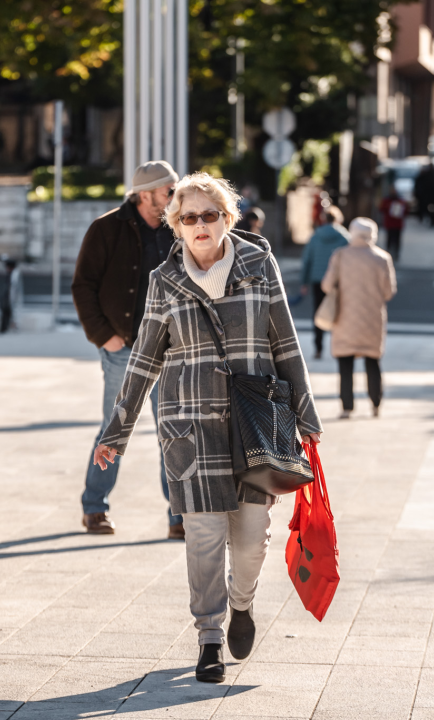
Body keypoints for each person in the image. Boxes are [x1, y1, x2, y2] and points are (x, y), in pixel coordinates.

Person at [92, 172, 323, 683]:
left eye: (210, 215)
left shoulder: (259, 264)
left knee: (250, 539)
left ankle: (242, 603)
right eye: (189, 217)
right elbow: (144, 361)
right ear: (175, 225)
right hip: (189, 427)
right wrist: (117, 432)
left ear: (227, 219)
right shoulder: (163, 281)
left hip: (254, 422)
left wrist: (306, 413)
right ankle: (209, 638)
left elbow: (285, 342)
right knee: (201, 537)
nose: (200, 224)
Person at [71, 160, 183, 538]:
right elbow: (83, 285)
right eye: (169, 191)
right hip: (122, 348)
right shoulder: (106, 229)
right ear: (145, 194)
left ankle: (179, 516)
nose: (174, 197)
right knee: (114, 429)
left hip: (169, 350)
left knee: (173, 432)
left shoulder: (178, 230)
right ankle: (95, 509)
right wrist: (104, 335)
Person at [320, 218, 396, 419]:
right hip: (373, 318)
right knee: (373, 361)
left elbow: (327, 285)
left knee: (345, 364)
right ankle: (376, 403)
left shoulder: (341, 255)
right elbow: (389, 292)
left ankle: (347, 406)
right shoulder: (382, 258)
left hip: (345, 317)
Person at [300, 207, 349, 359]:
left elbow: (307, 260)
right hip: (338, 281)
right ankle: (338, 347)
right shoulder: (345, 237)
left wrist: (304, 282)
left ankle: (318, 348)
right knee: (339, 314)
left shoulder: (315, 236)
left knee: (318, 314)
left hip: (317, 279)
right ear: (338, 219)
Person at [377, 186, 408, 262]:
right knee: (389, 239)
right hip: (390, 224)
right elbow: (381, 209)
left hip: (397, 225)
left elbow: (406, 212)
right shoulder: (387, 200)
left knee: (397, 240)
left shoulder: (401, 201)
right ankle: (388, 253)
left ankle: (396, 254)